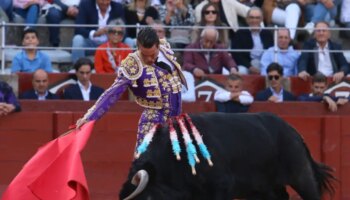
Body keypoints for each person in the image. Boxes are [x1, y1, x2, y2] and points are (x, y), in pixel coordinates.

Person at [76, 27, 187, 146]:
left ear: (158, 45)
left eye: (153, 54)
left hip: (176, 119)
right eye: (145, 55)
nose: (150, 59)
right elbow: (112, 94)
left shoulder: (165, 48)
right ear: (138, 46)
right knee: (146, 160)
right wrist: (89, 117)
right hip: (153, 120)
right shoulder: (132, 65)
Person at [231, 7, 274, 75]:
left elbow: (271, 52)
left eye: (257, 18)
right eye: (252, 17)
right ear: (247, 19)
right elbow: (236, 54)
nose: (254, 20)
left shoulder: (267, 34)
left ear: (261, 19)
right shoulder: (240, 33)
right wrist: (249, 67)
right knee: (241, 71)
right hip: (246, 64)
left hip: (264, 63)